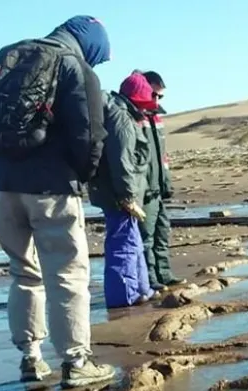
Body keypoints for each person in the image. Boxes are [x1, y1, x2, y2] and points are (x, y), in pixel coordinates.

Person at [0, 15, 116, 389]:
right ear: (90, 44)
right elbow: (90, 134)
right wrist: (79, 173)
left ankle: (31, 358)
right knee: (67, 275)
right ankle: (76, 362)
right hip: (51, 189)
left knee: (24, 273)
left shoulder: (5, 56)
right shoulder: (74, 67)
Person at [89, 72, 156, 308]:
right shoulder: (121, 119)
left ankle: (140, 289)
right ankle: (123, 297)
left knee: (132, 241)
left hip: (116, 192)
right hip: (119, 195)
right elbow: (122, 160)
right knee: (124, 244)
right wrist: (128, 197)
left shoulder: (118, 113)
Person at [138, 71, 183, 291]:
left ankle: (164, 273)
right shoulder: (136, 117)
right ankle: (150, 278)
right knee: (146, 235)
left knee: (162, 232)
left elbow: (162, 156)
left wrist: (167, 182)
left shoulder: (156, 118)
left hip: (160, 187)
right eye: (155, 95)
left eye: (160, 97)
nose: (157, 100)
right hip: (146, 189)